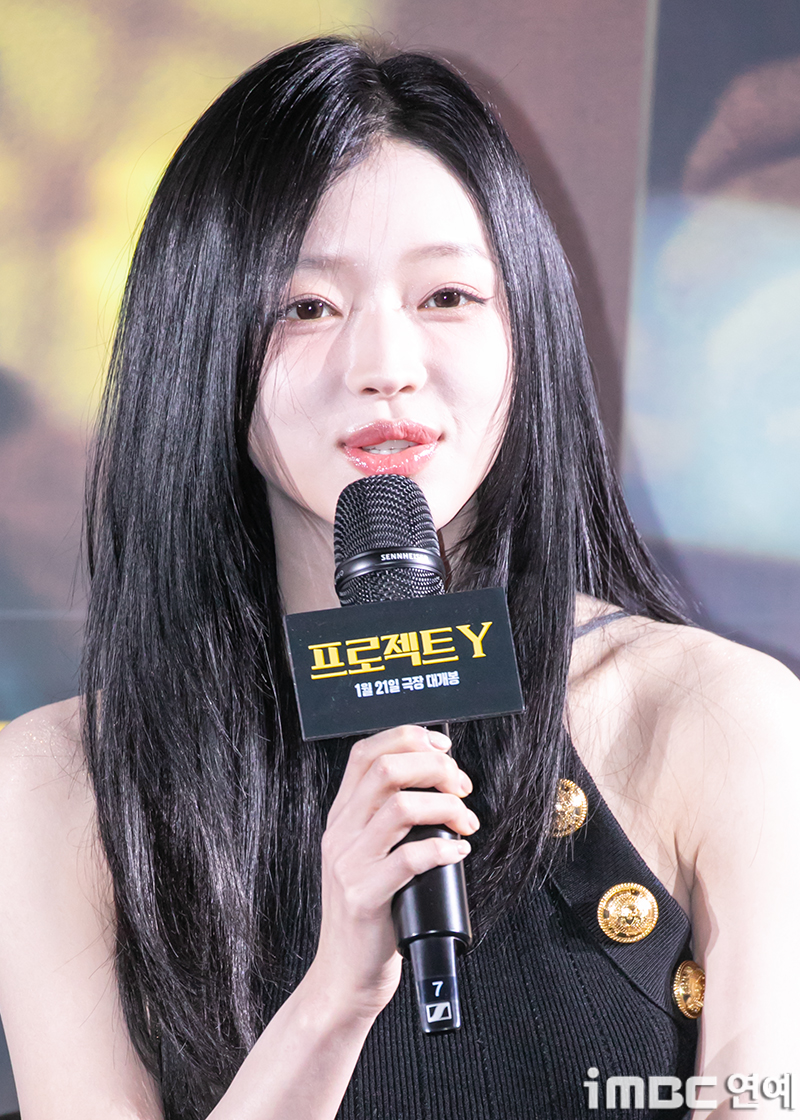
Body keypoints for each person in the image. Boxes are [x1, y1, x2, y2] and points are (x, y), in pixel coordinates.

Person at [0, 35, 797, 1120]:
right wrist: (333, 998)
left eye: (448, 296)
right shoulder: (62, 788)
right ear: (199, 344)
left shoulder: (715, 715)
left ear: (527, 332)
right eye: (306, 307)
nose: (384, 365)